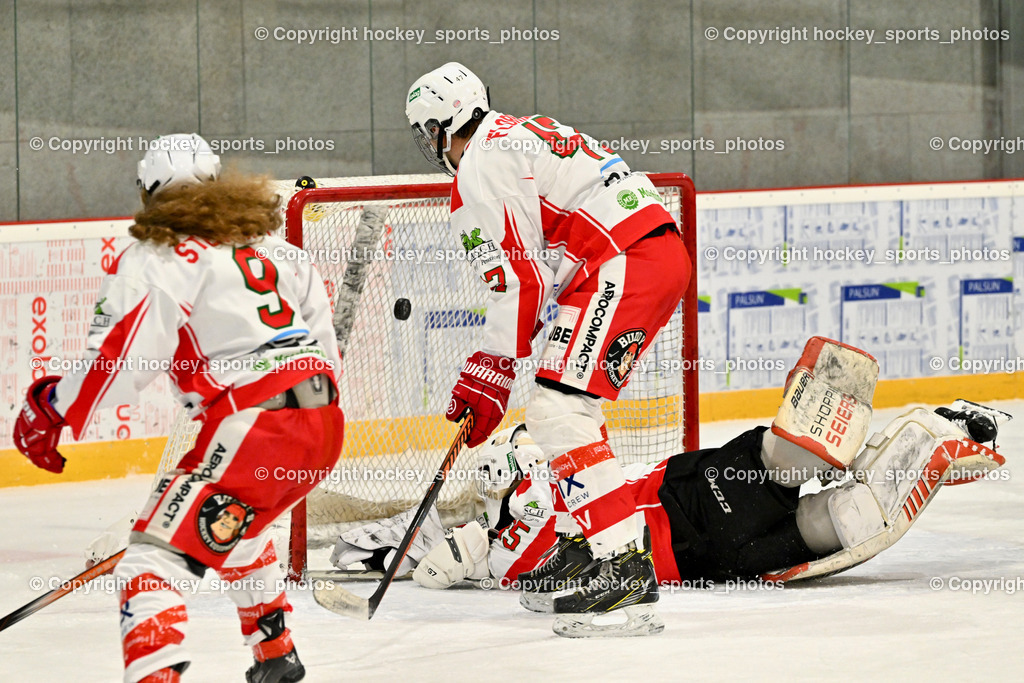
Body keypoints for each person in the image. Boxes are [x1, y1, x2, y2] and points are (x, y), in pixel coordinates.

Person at [331, 337, 1009, 636]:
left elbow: (467, 554)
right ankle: (927, 432)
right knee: (794, 471)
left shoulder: (518, 543)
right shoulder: (548, 485)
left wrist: (432, 558)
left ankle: (928, 439)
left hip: (707, 560)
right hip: (693, 514)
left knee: (841, 519)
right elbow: (520, 482)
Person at [12, 134, 344, 683]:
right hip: (323, 423)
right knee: (242, 527)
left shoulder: (159, 253)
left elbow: (119, 370)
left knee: (150, 564)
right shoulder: (273, 248)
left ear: (149, 196)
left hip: (255, 423)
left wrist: (48, 408)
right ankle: (274, 652)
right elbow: (326, 352)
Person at [405, 61, 691, 636]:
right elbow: (538, 269)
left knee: (558, 408)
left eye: (425, 132)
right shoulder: (519, 133)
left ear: (442, 126)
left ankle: (625, 569)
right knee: (560, 403)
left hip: (622, 259)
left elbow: (519, 279)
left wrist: (488, 371)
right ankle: (581, 545)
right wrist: (502, 364)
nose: (429, 146)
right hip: (637, 254)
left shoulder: (481, 165)